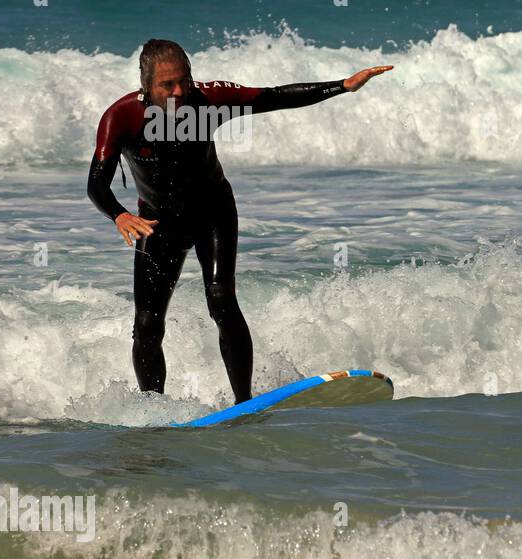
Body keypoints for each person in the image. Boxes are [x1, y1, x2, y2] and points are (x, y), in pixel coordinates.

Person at [87, 38, 392, 404]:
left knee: (221, 300)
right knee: (147, 325)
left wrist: (342, 86)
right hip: (157, 224)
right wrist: (119, 215)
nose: (179, 91)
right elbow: (96, 184)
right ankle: (152, 410)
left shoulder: (208, 99)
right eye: (167, 85)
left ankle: (244, 403)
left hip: (212, 213)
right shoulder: (122, 117)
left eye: (184, 80)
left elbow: (273, 97)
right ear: (146, 86)